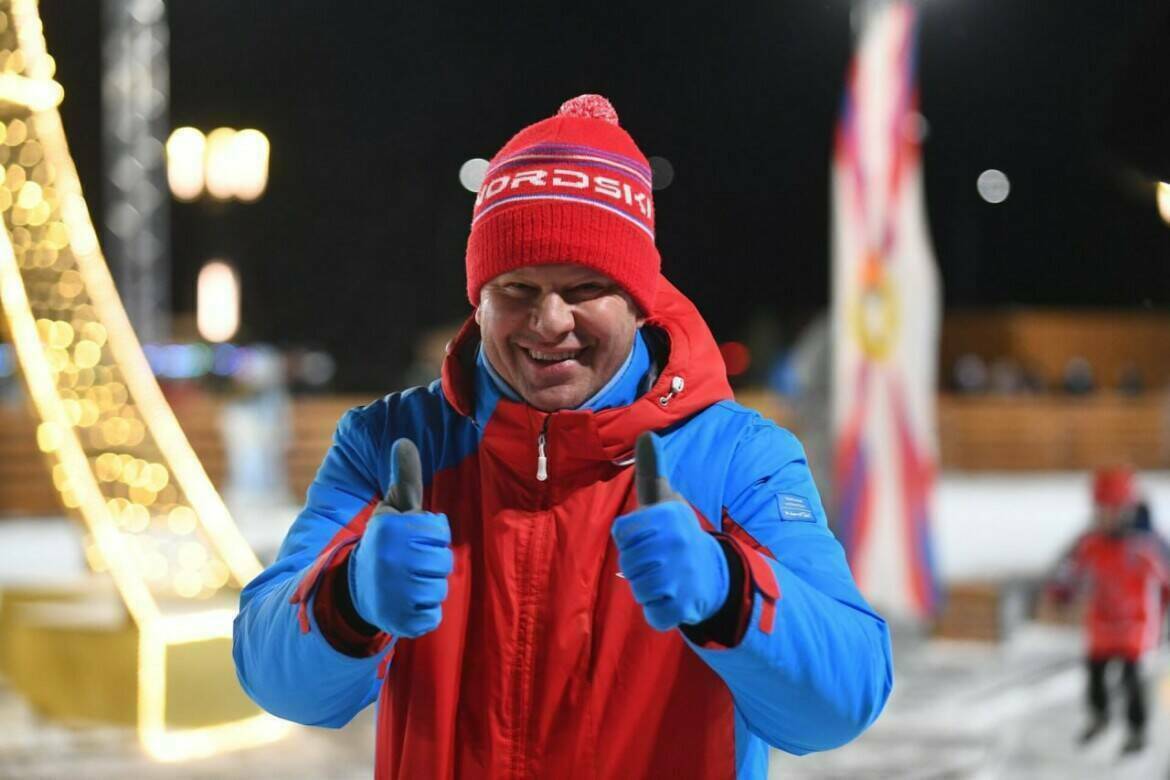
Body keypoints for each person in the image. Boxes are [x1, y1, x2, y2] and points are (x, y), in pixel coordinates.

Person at [233, 94, 893, 778]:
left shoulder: (738, 458)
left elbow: (840, 706)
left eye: (584, 288)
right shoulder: (389, 444)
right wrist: (349, 598)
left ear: (637, 300)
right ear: (479, 299)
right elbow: (272, 679)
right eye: (517, 287)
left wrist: (729, 591)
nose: (549, 322)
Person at [1048, 466, 1170, 755]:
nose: (1105, 518)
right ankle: (1099, 716)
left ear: (1127, 510)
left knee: (1132, 678)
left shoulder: (1145, 545)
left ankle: (1136, 729)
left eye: (1112, 511)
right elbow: (1068, 570)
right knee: (1095, 673)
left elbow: (1166, 576)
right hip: (1101, 623)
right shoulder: (1089, 543)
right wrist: (1061, 592)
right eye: (1100, 511)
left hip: (1136, 625)